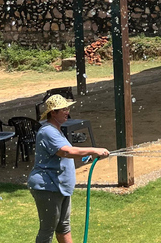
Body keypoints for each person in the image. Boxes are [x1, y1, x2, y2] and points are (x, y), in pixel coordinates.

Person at [28, 94, 110, 243]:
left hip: (60, 187)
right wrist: (94, 150)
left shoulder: (57, 130)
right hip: (48, 187)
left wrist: (87, 157)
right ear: (53, 113)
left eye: (67, 108)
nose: (67, 112)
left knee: (63, 227)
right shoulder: (47, 131)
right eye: (63, 109)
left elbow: (65, 157)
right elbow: (66, 152)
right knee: (47, 230)